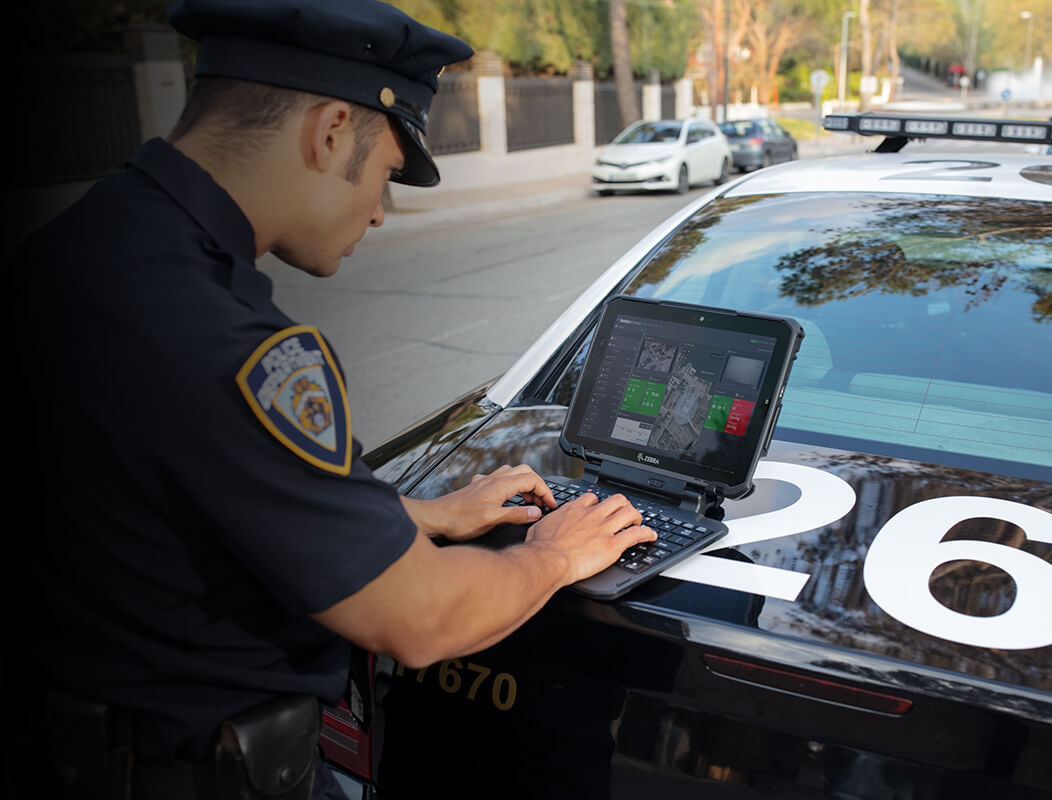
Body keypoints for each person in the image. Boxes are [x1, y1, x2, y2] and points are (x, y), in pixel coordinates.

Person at [6, 1, 654, 798]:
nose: (380, 210)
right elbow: (421, 620)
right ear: (331, 131)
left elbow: (188, 498)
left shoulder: (84, 250)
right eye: (386, 171)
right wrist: (556, 554)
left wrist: (419, 515)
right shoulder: (221, 340)